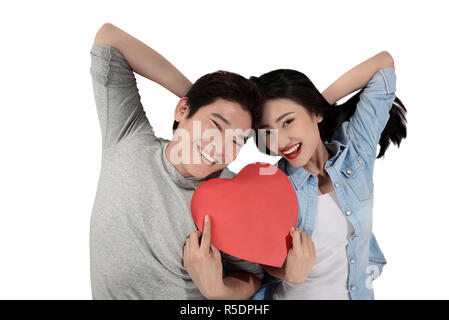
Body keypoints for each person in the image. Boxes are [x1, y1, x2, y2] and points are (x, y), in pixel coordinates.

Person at [89, 22, 265, 299]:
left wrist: (217, 289)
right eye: (216, 126)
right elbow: (109, 38)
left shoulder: (233, 195)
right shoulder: (127, 135)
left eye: (236, 140)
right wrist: (195, 94)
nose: (220, 148)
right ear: (182, 109)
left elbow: (252, 276)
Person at [249, 51, 407, 300]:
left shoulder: (356, 153)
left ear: (315, 114)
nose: (279, 141)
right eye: (267, 132)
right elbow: (252, 255)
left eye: (288, 122)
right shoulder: (270, 182)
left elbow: (383, 65)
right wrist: (287, 272)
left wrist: (318, 102)